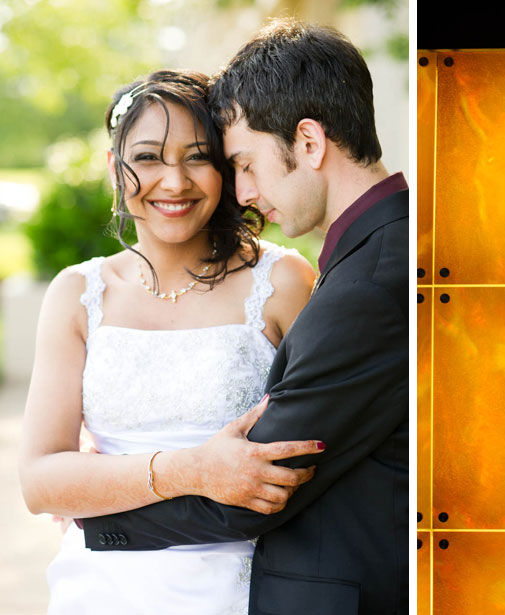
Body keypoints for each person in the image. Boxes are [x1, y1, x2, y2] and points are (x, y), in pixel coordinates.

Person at [80, 19, 409, 615]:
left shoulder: (369, 279)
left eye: (245, 163)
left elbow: (267, 477)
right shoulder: (375, 252)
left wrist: (94, 511)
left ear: (308, 143)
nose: (243, 191)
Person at [18, 70, 324, 613]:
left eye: (198, 156)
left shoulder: (281, 283)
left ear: (225, 168)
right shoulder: (78, 294)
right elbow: (41, 481)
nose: (175, 182)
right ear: (117, 168)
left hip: (253, 582)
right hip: (101, 588)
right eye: (150, 157)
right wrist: (190, 469)